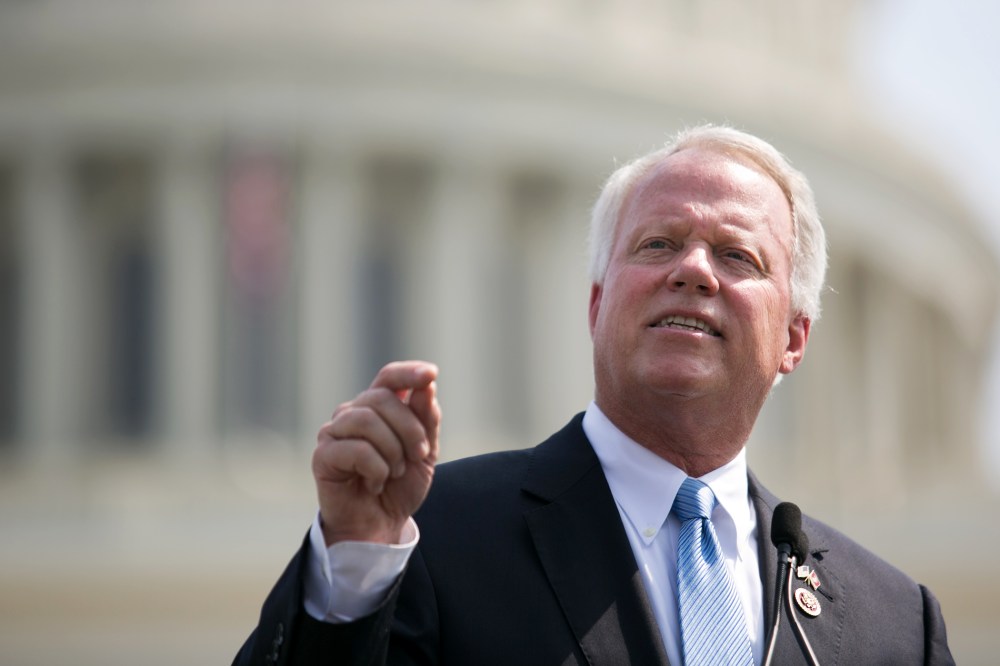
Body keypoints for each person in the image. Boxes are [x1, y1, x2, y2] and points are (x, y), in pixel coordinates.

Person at [234, 125, 954, 665]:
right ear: (596, 305)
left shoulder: (891, 625)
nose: (694, 271)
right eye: (657, 245)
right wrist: (356, 572)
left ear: (794, 339)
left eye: (736, 255)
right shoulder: (431, 540)